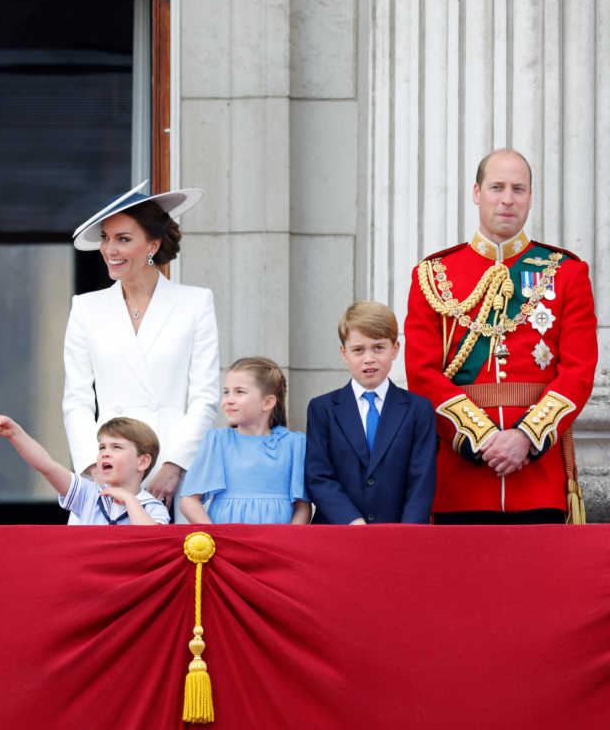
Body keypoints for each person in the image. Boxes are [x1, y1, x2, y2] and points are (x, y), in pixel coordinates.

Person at [404, 149, 598, 524]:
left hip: (538, 480)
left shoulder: (567, 273)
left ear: (530, 197)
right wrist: (483, 440)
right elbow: (422, 373)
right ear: (477, 193)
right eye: (497, 188)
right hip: (460, 482)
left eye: (518, 189)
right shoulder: (433, 274)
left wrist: (525, 438)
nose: (508, 199)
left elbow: (578, 372)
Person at [64, 181, 219, 522]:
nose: (109, 249)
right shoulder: (86, 308)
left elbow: (205, 397)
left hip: (173, 465)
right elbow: (76, 400)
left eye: (123, 239)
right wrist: (93, 466)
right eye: (106, 237)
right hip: (109, 465)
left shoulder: (195, 303)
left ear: (153, 243)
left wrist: (174, 465)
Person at [304, 302, 437, 524]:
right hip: (338, 533)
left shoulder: (418, 409)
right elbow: (318, 476)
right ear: (344, 353)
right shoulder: (322, 409)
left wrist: (407, 534)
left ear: (395, 349)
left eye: (378, 348)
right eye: (358, 350)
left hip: (397, 536)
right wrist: (352, 520)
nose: (369, 359)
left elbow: (421, 479)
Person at [179, 357, 310, 524]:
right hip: (227, 542)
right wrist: (216, 537)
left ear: (267, 402)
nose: (228, 400)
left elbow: (302, 505)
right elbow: (189, 500)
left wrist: (288, 541)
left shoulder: (294, 444)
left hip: (277, 543)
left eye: (239, 392)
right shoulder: (218, 441)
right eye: (226, 392)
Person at [0, 406, 168, 525]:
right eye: (102, 447)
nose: (105, 453)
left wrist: (129, 500)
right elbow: (46, 466)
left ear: (143, 461)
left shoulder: (153, 507)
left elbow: (151, 541)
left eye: (117, 447)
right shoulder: (88, 495)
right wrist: (15, 434)